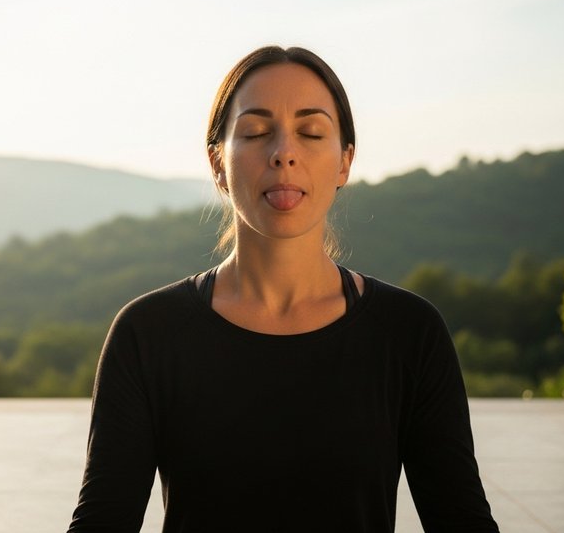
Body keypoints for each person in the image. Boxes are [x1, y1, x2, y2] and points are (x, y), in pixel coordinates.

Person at [67, 46, 499, 532]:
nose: (284, 153)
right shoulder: (148, 334)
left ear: (344, 162)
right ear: (217, 164)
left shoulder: (407, 333)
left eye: (311, 132)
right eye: (254, 132)